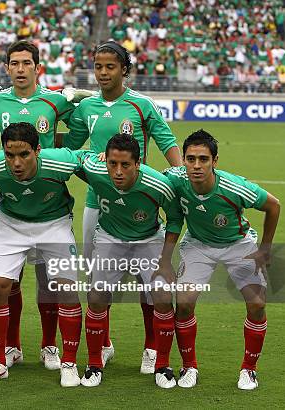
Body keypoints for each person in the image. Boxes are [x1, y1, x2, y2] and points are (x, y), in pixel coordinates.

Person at [0, 40, 90, 370]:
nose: (21, 69)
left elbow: (82, 122)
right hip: (11, 194)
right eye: (15, 63)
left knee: (48, 281)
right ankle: (11, 347)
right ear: (7, 68)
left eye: (27, 63)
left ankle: (49, 346)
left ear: (37, 67)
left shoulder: (54, 101)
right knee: (8, 281)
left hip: (49, 197)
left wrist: (77, 106)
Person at [67, 41, 182, 372]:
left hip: (140, 201)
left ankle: (151, 348)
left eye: (110, 67)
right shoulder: (85, 107)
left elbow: (167, 141)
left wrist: (178, 177)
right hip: (97, 202)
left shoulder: (141, 105)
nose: (103, 73)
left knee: (151, 283)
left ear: (124, 70)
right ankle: (102, 345)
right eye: (98, 67)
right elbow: (73, 149)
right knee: (99, 284)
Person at [0, 122, 84, 387]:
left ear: (38, 150)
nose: (16, 162)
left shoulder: (59, 162)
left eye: (24, 154)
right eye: (9, 155)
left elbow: (86, 159)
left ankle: (69, 363)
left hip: (54, 223)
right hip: (11, 225)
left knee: (66, 288)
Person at [163, 130, 280, 390]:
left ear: (215, 161)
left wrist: (265, 249)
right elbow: (147, 179)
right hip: (198, 245)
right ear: (183, 160)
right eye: (190, 159)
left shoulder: (234, 187)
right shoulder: (175, 178)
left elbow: (273, 205)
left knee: (257, 304)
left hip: (238, 243)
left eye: (203, 159)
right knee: (183, 303)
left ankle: (249, 370)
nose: (196, 166)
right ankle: (189, 366)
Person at [75, 133, 182, 389]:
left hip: (149, 239)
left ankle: (163, 365)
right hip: (110, 238)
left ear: (138, 163)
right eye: (112, 164)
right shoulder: (96, 169)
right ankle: (93, 365)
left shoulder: (159, 184)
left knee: (163, 298)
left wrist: (165, 260)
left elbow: (176, 218)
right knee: (96, 296)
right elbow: (76, 159)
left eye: (125, 165)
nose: (118, 171)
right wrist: (92, 156)